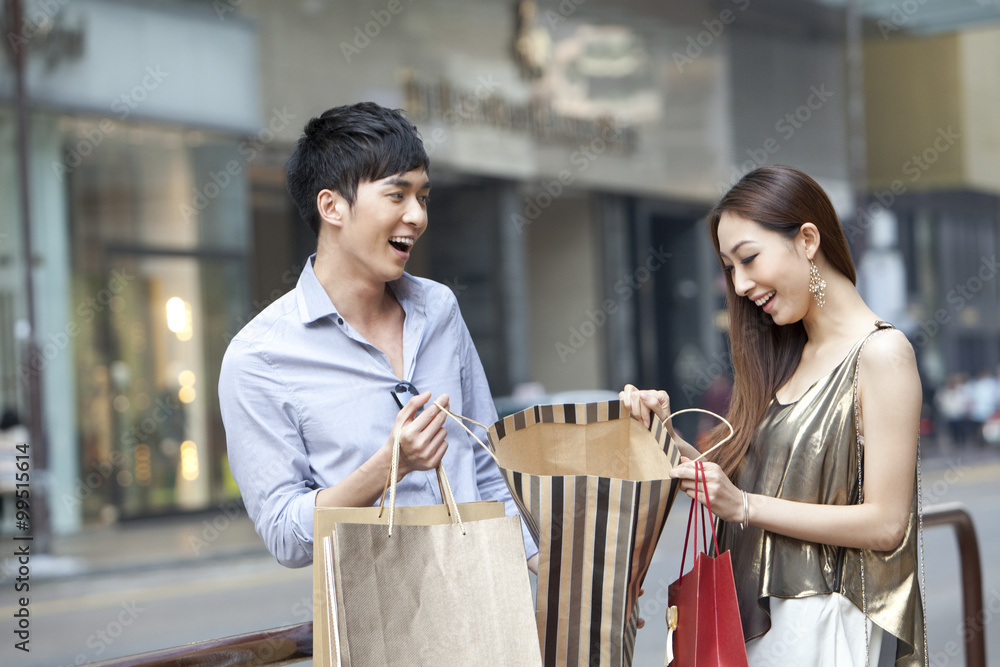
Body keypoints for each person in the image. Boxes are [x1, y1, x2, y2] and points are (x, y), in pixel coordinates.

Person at [622, 166, 925, 665]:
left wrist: (743, 505)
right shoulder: (785, 357)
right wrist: (662, 435)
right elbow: (743, 486)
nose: (739, 285)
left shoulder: (882, 353)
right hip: (754, 620)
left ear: (808, 239)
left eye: (748, 259)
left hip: (823, 622)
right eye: (728, 269)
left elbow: (887, 524)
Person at [219, 102, 536, 569]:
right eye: (397, 195)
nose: (418, 216)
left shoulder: (440, 310)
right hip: (377, 625)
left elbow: (491, 474)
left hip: (484, 607)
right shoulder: (259, 358)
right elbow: (286, 535)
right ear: (332, 206)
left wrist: (561, 581)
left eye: (423, 197)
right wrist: (390, 465)